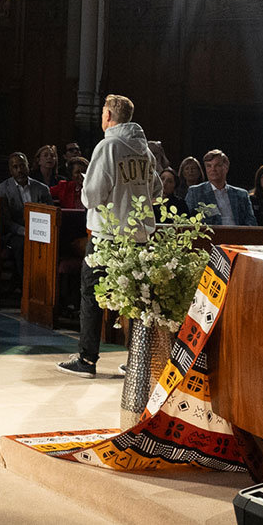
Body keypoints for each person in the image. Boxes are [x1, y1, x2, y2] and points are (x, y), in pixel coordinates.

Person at [58, 93, 164, 379]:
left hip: (108, 235)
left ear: (107, 116)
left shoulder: (108, 146)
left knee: (91, 293)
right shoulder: (145, 150)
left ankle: (87, 359)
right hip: (140, 235)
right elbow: (156, 191)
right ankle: (137, 362)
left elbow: (91, 196)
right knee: (139, 299)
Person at [0, 151, 51, 266]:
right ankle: (23, 281)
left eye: (22, 165)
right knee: (22, 245)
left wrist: (37, 230)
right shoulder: (2, 190)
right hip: (14, 233)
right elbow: (5, 221)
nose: (19, 170)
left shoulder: (42, 188)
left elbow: (50, 213)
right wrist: (24, 231)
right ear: (10, 170)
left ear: (28, 166)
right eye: (15, 167)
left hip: (39, 231)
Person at [185, 149, 253, 226]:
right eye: (209, 166)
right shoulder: (196, 192)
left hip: (238, 236)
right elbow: (187, 221)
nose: (213, 169)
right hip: (211, 236)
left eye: (217, 165)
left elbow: (251, 223)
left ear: (226, 167)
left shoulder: (241, 195)